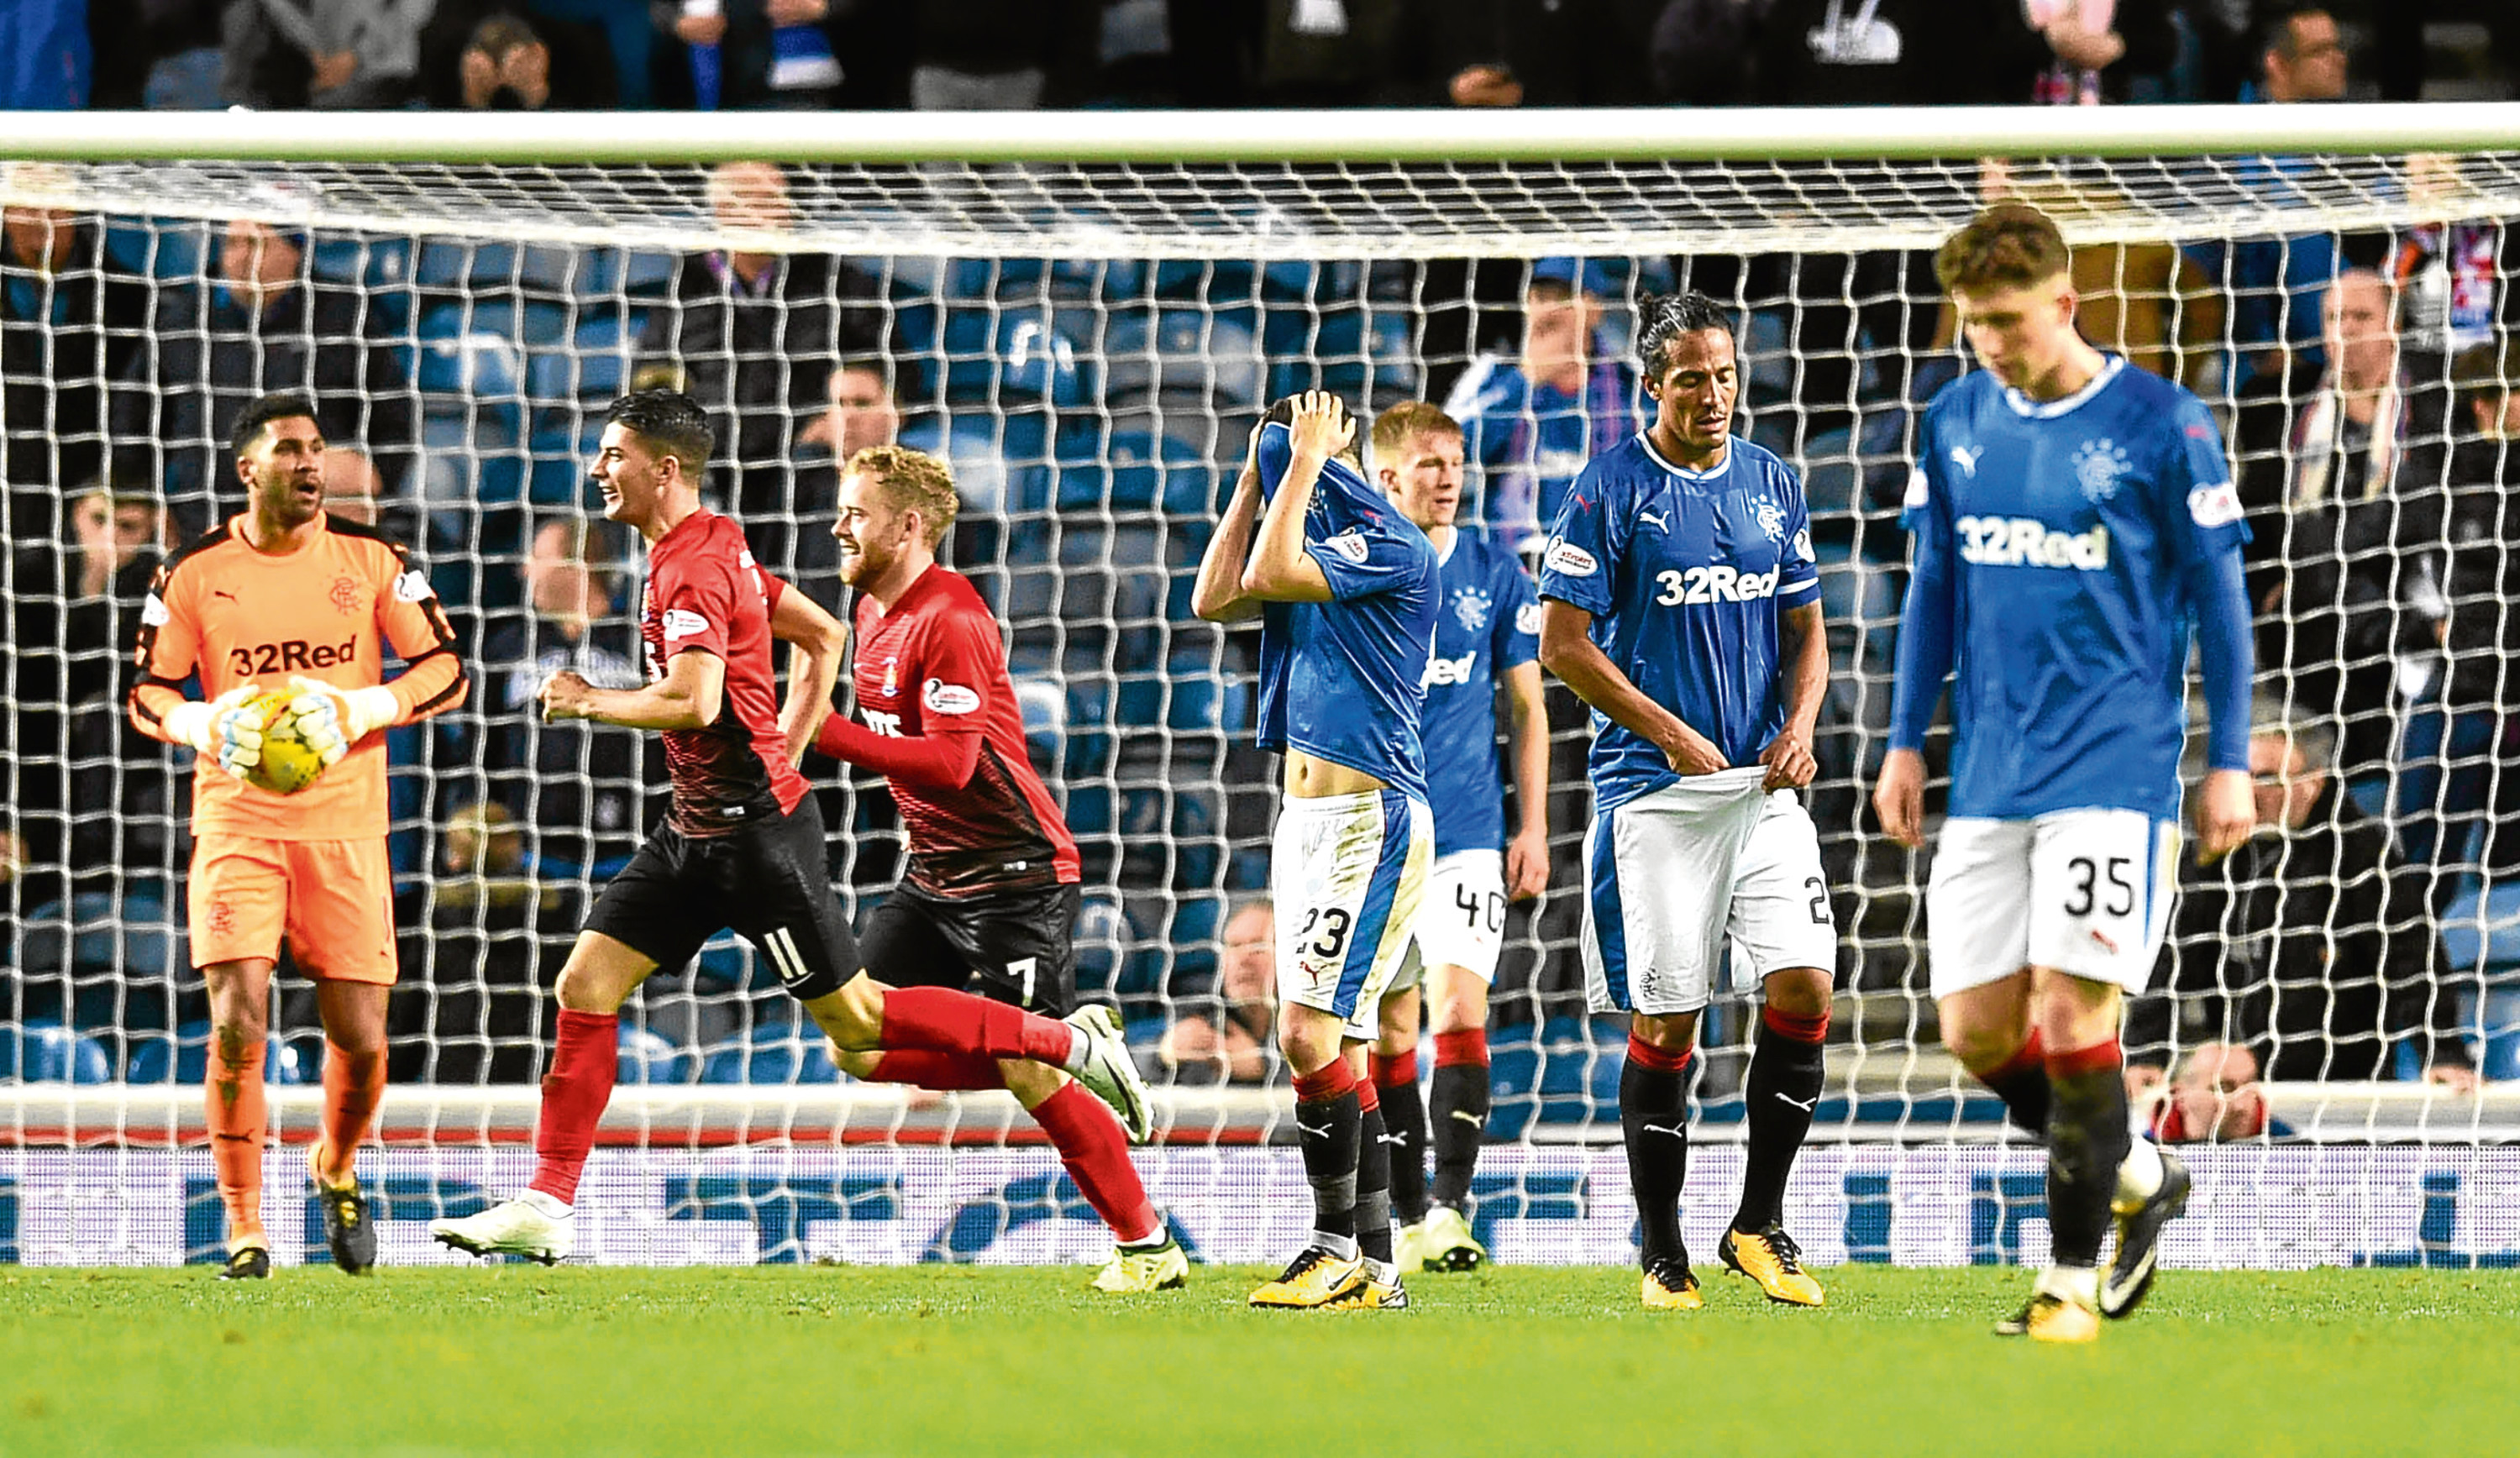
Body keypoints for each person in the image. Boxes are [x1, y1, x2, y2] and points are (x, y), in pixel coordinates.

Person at [428, 391, 1147, 1266]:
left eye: (614, 455)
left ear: (664, 468)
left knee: (862, 1019)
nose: (597, 470)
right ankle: (549, 1198)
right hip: (695, 828)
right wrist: (794, 739)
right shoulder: (717, 545)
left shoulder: (703, 567)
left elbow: (695, 699)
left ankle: (1071, 1047)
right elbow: (821, 633)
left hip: (760, 840)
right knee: (588, 983)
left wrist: (590, 700)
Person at [1873, 202, 2256, 1343]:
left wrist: (2228, 760)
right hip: (1992, 769)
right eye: (1972, 322)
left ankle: (2068, 1284)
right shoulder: (1953, 419)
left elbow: (2223, 608)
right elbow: (1932, 588)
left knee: (2073, 1009)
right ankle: (2137, 1172)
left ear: (2066, 303)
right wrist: (1904, 739)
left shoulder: (2162, 422)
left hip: (2117, 767)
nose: (1989, 342)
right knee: (1979, 1031)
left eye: (2007, 320)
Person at [773, 443, 1187, 1293]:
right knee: (855, 1037)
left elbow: (955, 764)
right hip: (932, 874)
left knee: (1029, 1072)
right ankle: (1067, 1043)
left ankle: (1148, 1245)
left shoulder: (950, 617)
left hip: (1015, 874)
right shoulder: (874, 616)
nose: (838, 525)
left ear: (910, 523)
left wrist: (829, 735)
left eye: (856, 511)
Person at [1535, 289, 1836, 1314]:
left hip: (1760, 786)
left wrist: (1798, 728)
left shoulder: (1771, 482)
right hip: (1654, 793)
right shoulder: (1609, 488)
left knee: (1805, 986)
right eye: (1694, 378)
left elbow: (1809, 630)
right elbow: (1560, 645)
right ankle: (1663, 1251)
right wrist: (1670, 731)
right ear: (1654, 385)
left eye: (1727, 373)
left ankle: (1758, 1222)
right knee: (1670, 1026)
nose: (1715, 393)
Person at [127, 390, 471, 1280]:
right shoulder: (191, 572)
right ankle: (246, 1225)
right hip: (237, 818)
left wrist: (369, 702)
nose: (310, 463)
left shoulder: (373, 558)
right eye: (289, 449)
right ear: (249, 469)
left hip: (347, 827)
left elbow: (447, 666)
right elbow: (146, 693)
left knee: (360, 1033)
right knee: (239, 1013)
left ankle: (336, 1161)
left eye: (317, 449)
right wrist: (200, 723)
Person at [1191, 390, 1438, 1311]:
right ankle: (1377, 1271)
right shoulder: (1306, 542)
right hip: (1306, 827)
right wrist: (1258, 472)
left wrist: (1299, 461)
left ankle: (1333, 1243)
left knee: (1304, 1033)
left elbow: (1273, 564)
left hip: (1371, 821)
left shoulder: (1394, 549)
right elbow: (1213, 595)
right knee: (1346, 1050)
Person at [1357, 402, 1548, 1274]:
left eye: (1457, 461)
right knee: (1392, 1033)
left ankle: (1450, 1207)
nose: (1449, 477)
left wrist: (1534, 825)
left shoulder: (1492, 569)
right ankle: (1402, 1213)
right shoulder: (1357, 568)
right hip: (1378, 830)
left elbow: (1528, 705)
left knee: (1461, 1012)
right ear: (1388, 476)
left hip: (1469, 828)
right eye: (1431, 462)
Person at [2127, 705, 2481, 1091]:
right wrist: (2147, 1052)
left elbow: (2412, 960)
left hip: (2342, 1089)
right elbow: (2175, 955)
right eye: (2242, 777)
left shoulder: (2361, 854)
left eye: (2264, 778)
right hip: (2239, 1087)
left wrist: (2442, 1052)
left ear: (2312, 783)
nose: (2248, 792)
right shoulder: (2222, 851)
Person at [2233, 266, 2452, 777]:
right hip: (2312, 631)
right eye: (2334, 317)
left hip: (2408, 615)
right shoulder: (2282, 412)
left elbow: (2432, 514)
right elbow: (2255, 523)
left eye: (2360, 316)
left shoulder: (2438, 408)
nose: (2345, 330)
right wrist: (2267, 584)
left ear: (2393, 325)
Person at [633, 161, 887, 575]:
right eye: (758, 200)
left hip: (807, 461)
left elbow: (882, 368)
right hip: (716, 463)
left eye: (778, 199)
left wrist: (852, 409)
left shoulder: (831, 278)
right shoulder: (686, 287)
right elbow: (654, 383)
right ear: (723, 212)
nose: (776, 211)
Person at [113, 212, 416, 535]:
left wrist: (373, 481)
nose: (241, 258)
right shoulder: (184, 320)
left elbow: (392, 416)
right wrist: (146, 499)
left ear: (294, 251)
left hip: (312, 518)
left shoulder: (345, 316)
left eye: (256, 244)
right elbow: (132, 416)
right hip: (205, 518)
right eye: (232, 244)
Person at [478, 517, 648, 878]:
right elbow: (480, 744)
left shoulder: (641, 641)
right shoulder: (508, 646)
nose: (525, 572)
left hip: (635, 855)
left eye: (538, 558)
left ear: (578, 564)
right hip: (531, 861)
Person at [1444, 258, 1642, 553]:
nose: (1548, 309)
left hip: (1605, 561)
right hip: (1509, 563)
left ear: (1594, 309)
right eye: (1538, 297)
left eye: (1561, 298)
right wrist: (1526, 380)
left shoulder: (1634, 388)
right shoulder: (1493, 374)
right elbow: (1447, 448)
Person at [2, 170, 151, 541]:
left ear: (75, 211)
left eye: (54, 207)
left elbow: (137, 409)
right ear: (6, 212)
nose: (42, 219)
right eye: (29, 206)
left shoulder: (130, 298)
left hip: (92, 502)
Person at [1160, 895, 1279, 1085]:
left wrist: (1263, 1068)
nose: (1243, 959)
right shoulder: (1207, 1017)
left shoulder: (1319, 1019)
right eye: (1234, 946)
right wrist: (1163, 1056)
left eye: (1258, 946)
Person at [2141, 1042, 2269, 1143]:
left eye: (2248, 1087)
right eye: (2222, 1089)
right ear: (2180, 1095)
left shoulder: (2284, 1144)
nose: (2240, 1106)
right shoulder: (2143, 1155)